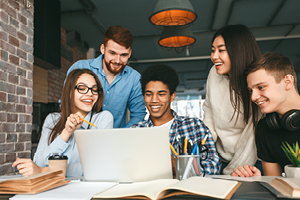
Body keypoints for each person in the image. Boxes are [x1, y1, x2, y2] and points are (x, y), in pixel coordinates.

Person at [12, 69, 113, 177]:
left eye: (95, 89)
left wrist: (45, 171)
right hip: (52, 189)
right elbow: (39, 162)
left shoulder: (103, 119)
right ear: (69, 92)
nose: (90, 94)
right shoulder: (52, 119)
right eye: (82, 88)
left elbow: (97, 167)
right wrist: (66, 132)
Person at [132, 64, 221, 175]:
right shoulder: (135, 131)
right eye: (149, 94)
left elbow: (213, 165)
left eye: (161, 94)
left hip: (186, 190)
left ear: (172, 96)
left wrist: (179, 167)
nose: (154, 100)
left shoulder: (194, 126)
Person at [203, 24, 262, 175]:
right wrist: (205, 151)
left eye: (221, 50)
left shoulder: (256, 82)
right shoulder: (213, 74)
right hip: (219, 159)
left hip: (250, 162)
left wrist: (233, 171)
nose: (214, 56)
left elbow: (251, 137)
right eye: (212, 50)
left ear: (239, 51)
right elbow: (209, 111)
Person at [231, 52, 300, 177]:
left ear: (288, 82)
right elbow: (274, 181)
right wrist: (259, 181)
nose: (253, 97)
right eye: (251, 90)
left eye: (261, 87)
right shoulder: (265, 128)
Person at [66, 25, 146, 128]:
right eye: (112, 53)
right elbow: (66, 103)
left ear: (130, 53)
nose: (117, 60)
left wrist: (121, 137)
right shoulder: (80, 67)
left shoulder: (134, 78)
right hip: (78, 137)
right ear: (103, 49)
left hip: (116, 141)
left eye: (123, 55)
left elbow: (138, 115)